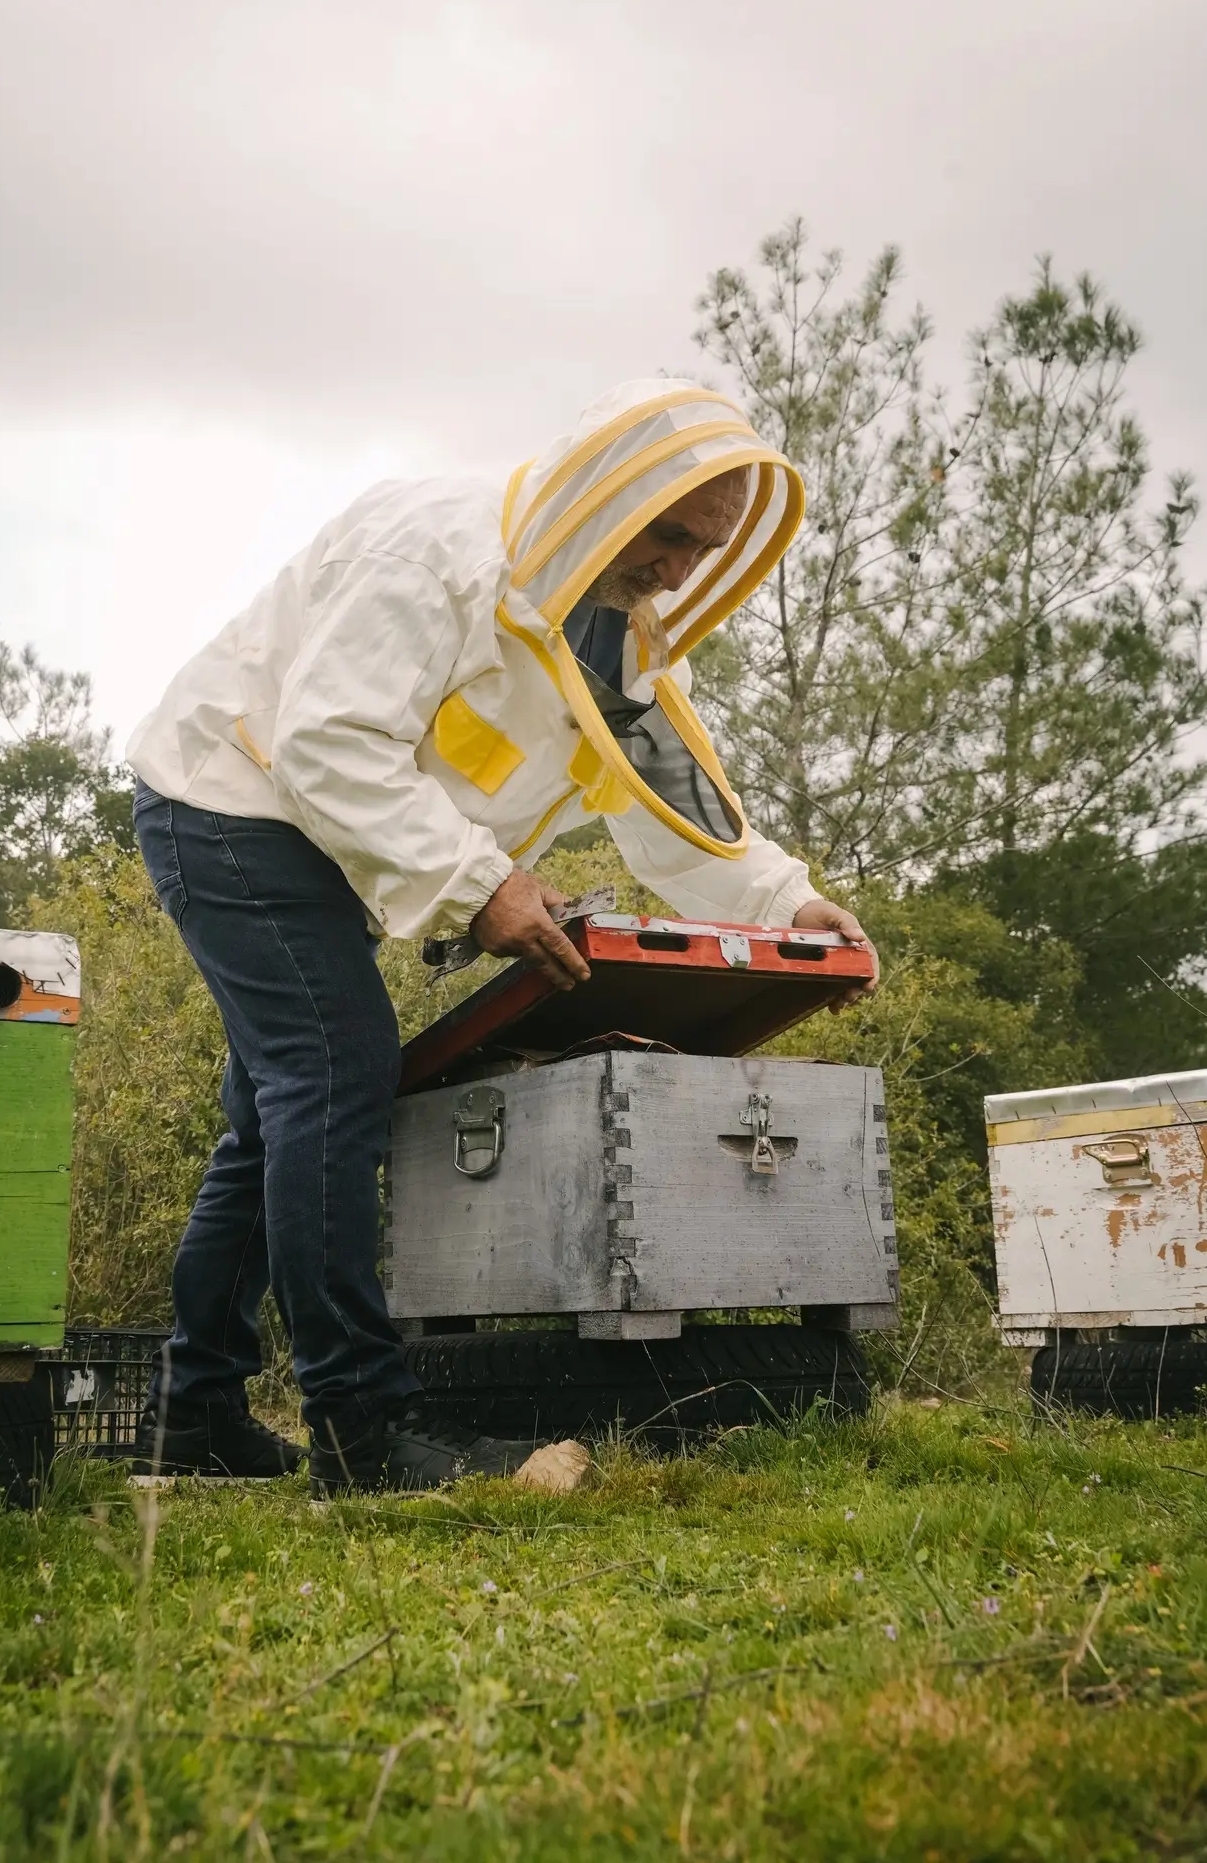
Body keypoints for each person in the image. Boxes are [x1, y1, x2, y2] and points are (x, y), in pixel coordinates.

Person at [126, 379, 877, 1493]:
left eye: (699, 546)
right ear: (608, 491)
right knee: (333, 1071)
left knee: (275, 1113)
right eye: (667, 532)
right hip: (229, 795)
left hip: (323, 841)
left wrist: (784, 902)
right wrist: (479, 880)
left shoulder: (619, 638)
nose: (676, 565)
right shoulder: (436, 549)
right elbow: (328, 741)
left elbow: (670, 802)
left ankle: (196, 1412)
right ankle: (361, 1430)